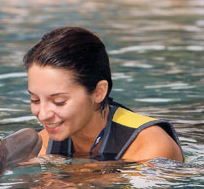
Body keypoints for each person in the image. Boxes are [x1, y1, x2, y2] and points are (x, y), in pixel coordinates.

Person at [23, 27, 184, 162]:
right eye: (35, 100)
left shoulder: (150, 145)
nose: (43, 115)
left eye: (59, 101)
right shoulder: (43, 143)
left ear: (99, 92)